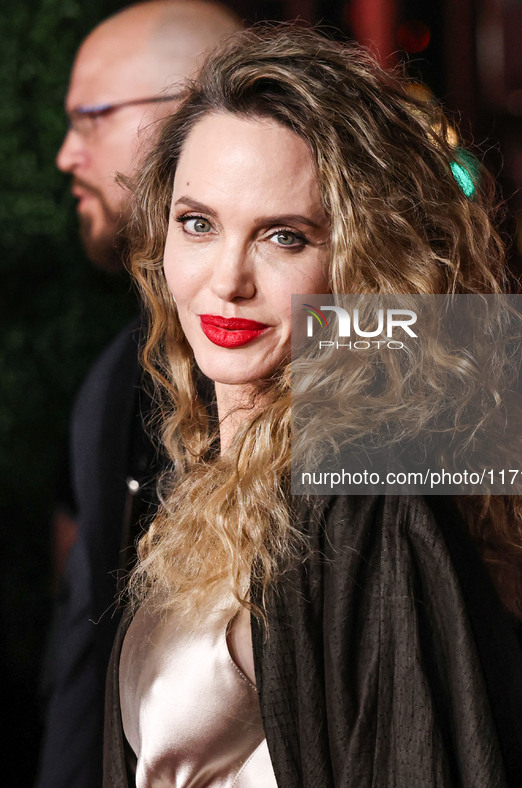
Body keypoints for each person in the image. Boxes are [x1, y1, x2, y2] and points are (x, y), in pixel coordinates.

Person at [104, 25, 522, 787]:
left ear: (362, 264)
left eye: (283, 237)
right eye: (198, 223)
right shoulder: (204, 484)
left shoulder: (362, 499)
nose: (227, 278)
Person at [36, 3, 242, 787]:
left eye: (89, 118)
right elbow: (81, 646)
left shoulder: (370, 360)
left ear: (188, 110)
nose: (65, 154)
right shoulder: (112, 376)